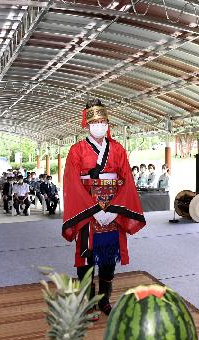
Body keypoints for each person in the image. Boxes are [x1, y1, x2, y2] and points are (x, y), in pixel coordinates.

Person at [62, 99, 145, 316]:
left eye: (103, 121)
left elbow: (127, 179)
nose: (100, 125)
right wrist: (94, 210)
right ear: (87, 124)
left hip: (113, 208)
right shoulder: (77, 150)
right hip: (86, 210)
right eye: (96, 121)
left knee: (108, 257)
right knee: (86, 259)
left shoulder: (117, 149)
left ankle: (104, 298)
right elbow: (72, 181)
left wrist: (114, 209)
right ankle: (88, 303)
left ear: (108, 123)